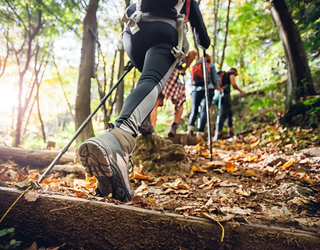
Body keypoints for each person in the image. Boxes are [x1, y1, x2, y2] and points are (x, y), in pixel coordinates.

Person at [77, 0, 210, 202]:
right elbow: (202, 38)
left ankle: (115, 168)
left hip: (133, 33)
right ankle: (118, 141)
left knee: (145, 81)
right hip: (163, 32)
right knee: (151, 81)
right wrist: (204, 44)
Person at [148, 49, 197, 137]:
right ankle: (173, 127)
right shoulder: (178, 47)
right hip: (172, 75)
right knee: (179, 102)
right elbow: (193, 53)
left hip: (159, 74)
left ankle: (152, 129)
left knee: (155, 102)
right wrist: (184, 69)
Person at [187, 55, 223, 140]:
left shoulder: (195, 66)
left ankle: (190, 129)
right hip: (208, 89)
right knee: (204, 110)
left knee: (194, 110)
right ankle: (200, 132)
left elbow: (191, 80)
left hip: (195, 90)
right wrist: (220, 89)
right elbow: (215, 80)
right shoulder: (211, 66)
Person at [215, 68, 244, 139]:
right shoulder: (231, 73)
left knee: (228, 113)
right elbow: (233, 83)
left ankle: (230, 131)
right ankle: (218, 133)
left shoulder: (222, 75)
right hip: (225, 95)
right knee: (223, 114)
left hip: (218, 96)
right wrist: (239, 90)